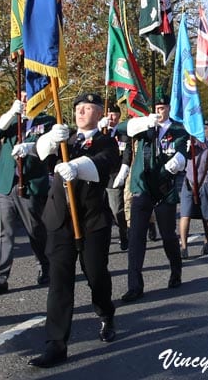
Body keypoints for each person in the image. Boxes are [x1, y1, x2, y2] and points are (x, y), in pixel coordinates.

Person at [27, 92, 121, 368]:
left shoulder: (105, 140)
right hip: (59, 219)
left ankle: (106, 313)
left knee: (96, 276)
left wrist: (78, 166)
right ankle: (55, 344)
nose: (81, 112)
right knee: (59, 282)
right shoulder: (64, 138)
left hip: (91, 221)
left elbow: (106, 163)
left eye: (87, 107)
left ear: (98, 112)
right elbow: (43, 154)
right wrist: (46, 141)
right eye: (78, 107)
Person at [0, 96, 53, 295]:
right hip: (5, 183)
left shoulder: (47, 121)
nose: (26, 100)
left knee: (35, 230)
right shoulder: (14, 119)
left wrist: (30, 148)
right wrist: (12, 112)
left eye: (29, 96)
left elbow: (50, 146)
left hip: (29, 185)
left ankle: (46, 265)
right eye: (23, 97)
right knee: (3, 232)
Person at [117, 93, 187, 302]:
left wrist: (170, 167)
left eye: (162, 107)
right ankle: (135, 285)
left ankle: (176, 270)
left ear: (168, 108)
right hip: (141, 186)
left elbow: (182, 154)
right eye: (155, 108)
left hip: (164, 188)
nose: (159, 111)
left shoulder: (177, 130)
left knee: (167, 235)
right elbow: (120, 129)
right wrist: (142, 123)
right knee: (136, 237)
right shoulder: (144, 127)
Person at [178, 123, 208, 257]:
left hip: (205, 183)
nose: (202, 130)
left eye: (206, 128)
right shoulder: (189, 144)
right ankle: (183, 247)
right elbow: (181, 157)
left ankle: (207, 241)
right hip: (189, 183)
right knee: (185, 215)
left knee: (207, 216)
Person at [100, 103, 131, 252]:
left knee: (116, 210)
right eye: (108, 114)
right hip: (99, 176)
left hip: (115, 175)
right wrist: (100, 130)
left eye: (114, 114)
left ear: (119, 116)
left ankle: (123, 234)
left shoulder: (123, 133)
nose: (110, 117)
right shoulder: (100, 131)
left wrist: (123, 171)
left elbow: (126, 154)